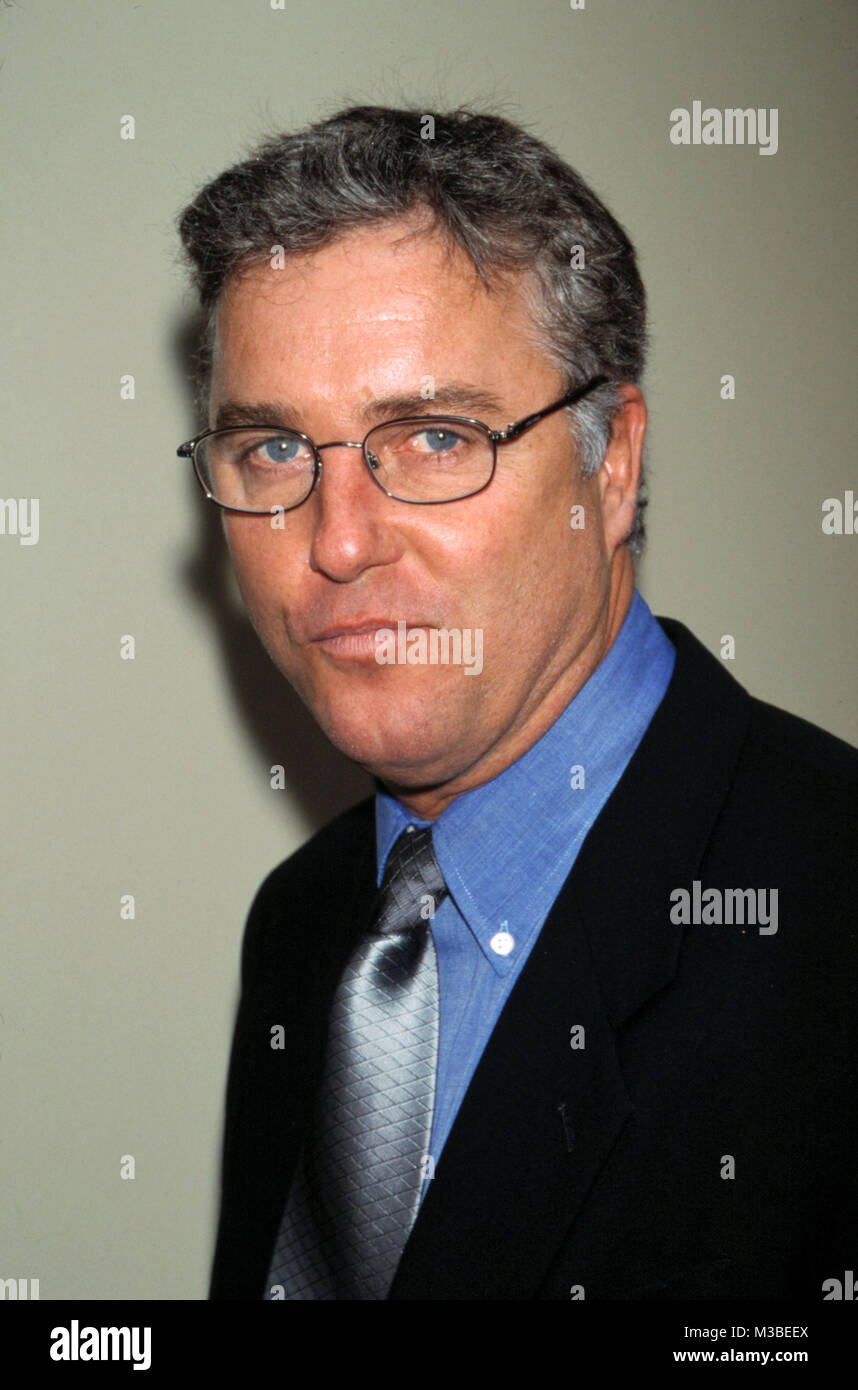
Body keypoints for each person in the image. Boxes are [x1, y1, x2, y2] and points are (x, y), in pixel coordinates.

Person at [175, 105, 857, 1301]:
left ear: (614, 459)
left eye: (434, 437)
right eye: (276, 450)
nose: (335, 543)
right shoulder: (301, 923)